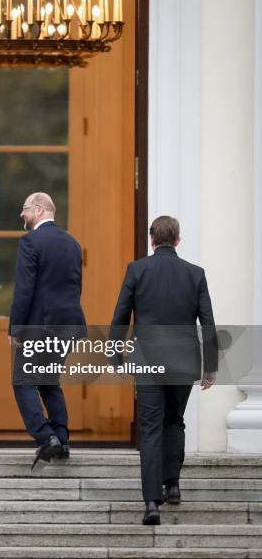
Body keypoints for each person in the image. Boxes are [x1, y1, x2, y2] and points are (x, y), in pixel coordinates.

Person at [110, 215, 217, 525]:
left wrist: (116, 357)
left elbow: (120, 318)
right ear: (178, 240)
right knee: (175, 421)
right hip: (184, 362)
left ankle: (151, 504)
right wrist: (210, 366)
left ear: (151, 239)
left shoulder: (137, 270)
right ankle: (173, 485)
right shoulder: (195, 274)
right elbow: (208, 323)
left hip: (147, 361)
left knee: (150, 427)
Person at [9, 192, 86, 469]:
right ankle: (62, 441)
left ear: (39, 210)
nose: (22, 214)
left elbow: (24, 289)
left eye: (26, 209)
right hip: (69, 325)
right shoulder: (74, 244)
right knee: (49, 381)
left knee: (23, 381)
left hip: (38, 325)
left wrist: (16, 327)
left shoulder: (30, 242)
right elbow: (77, 288)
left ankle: (46, 436)